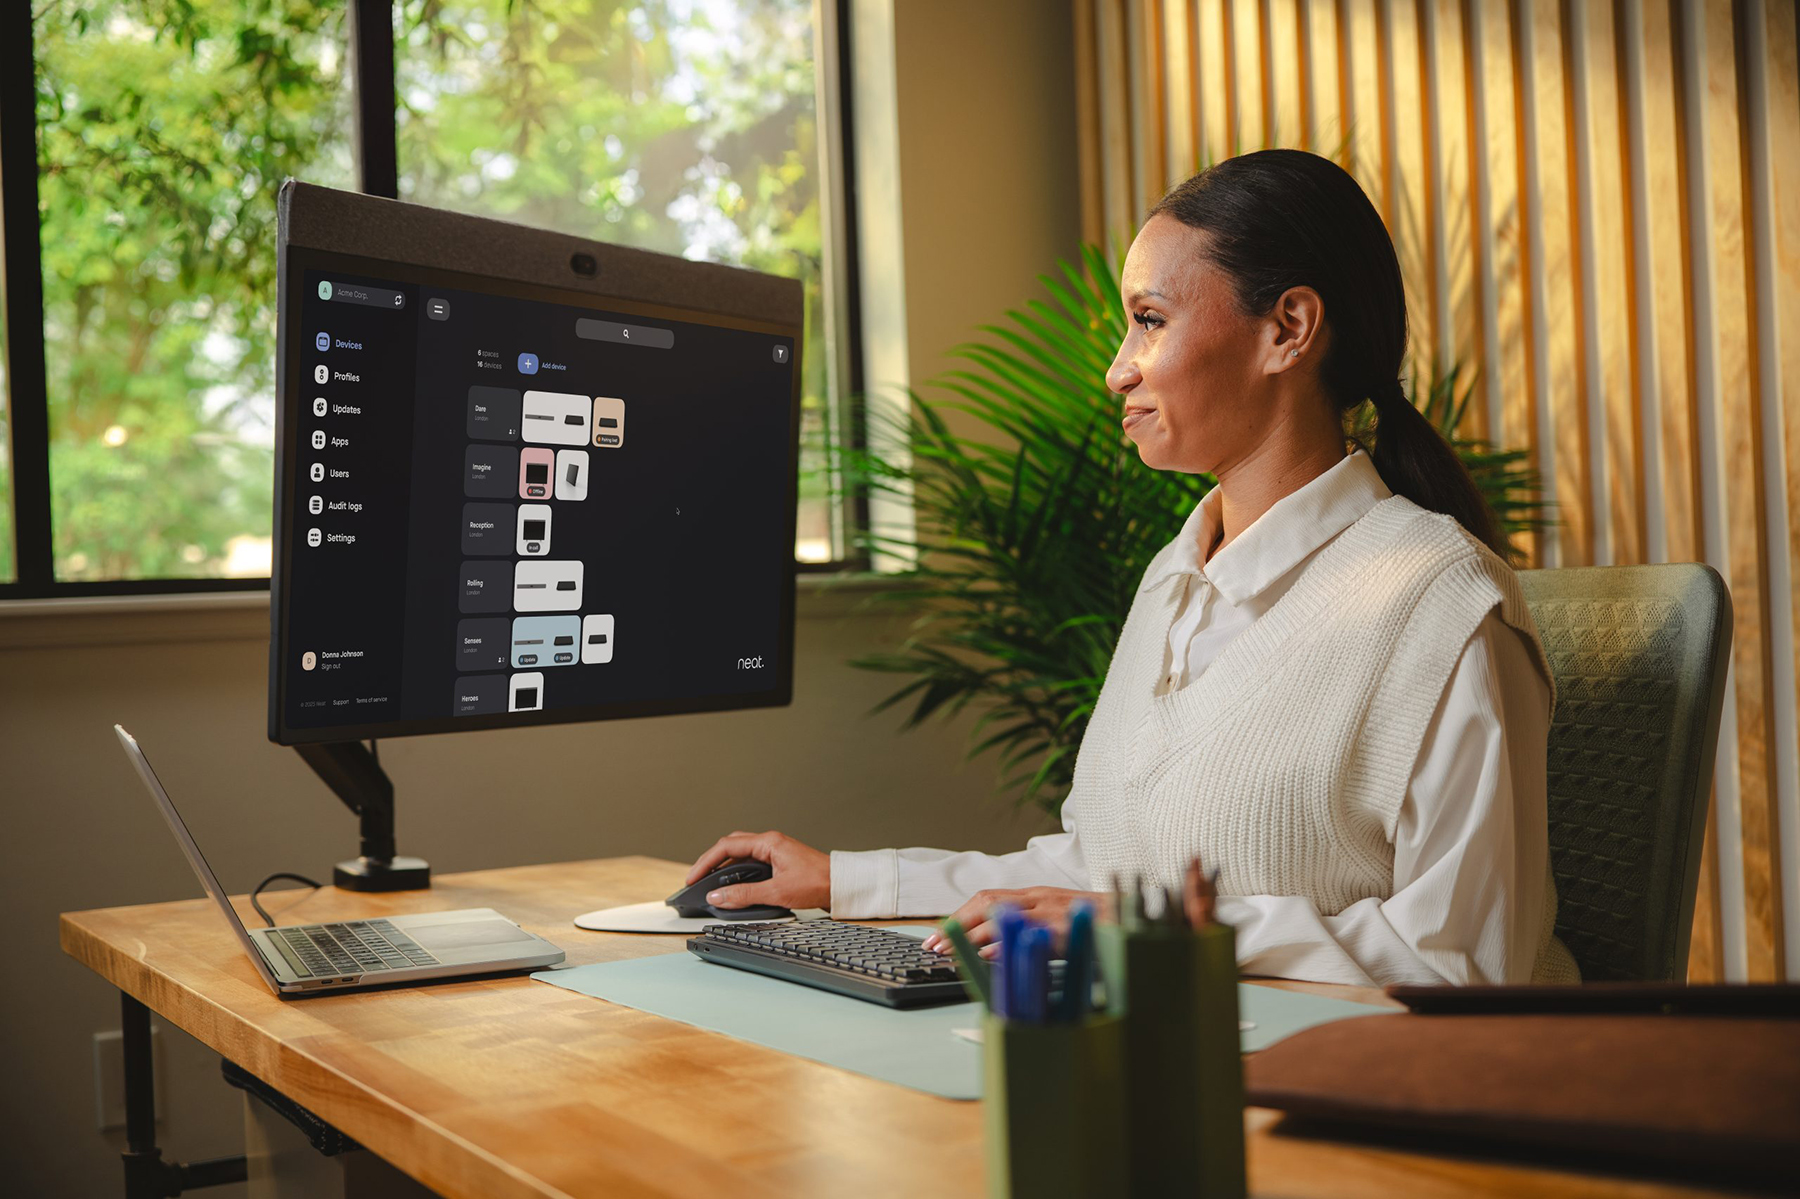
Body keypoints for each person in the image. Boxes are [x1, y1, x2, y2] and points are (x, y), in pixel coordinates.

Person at [686, 149, 1579, 987]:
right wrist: (844, 880)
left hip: (1342, 1080)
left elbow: (1469, 960)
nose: (1118, 371)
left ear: (1288, 328)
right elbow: (1097, 871)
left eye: (1150, 321)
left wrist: (1162, 929)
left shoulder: (1444, 604)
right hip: (1152, 1044)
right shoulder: (1174, 578)